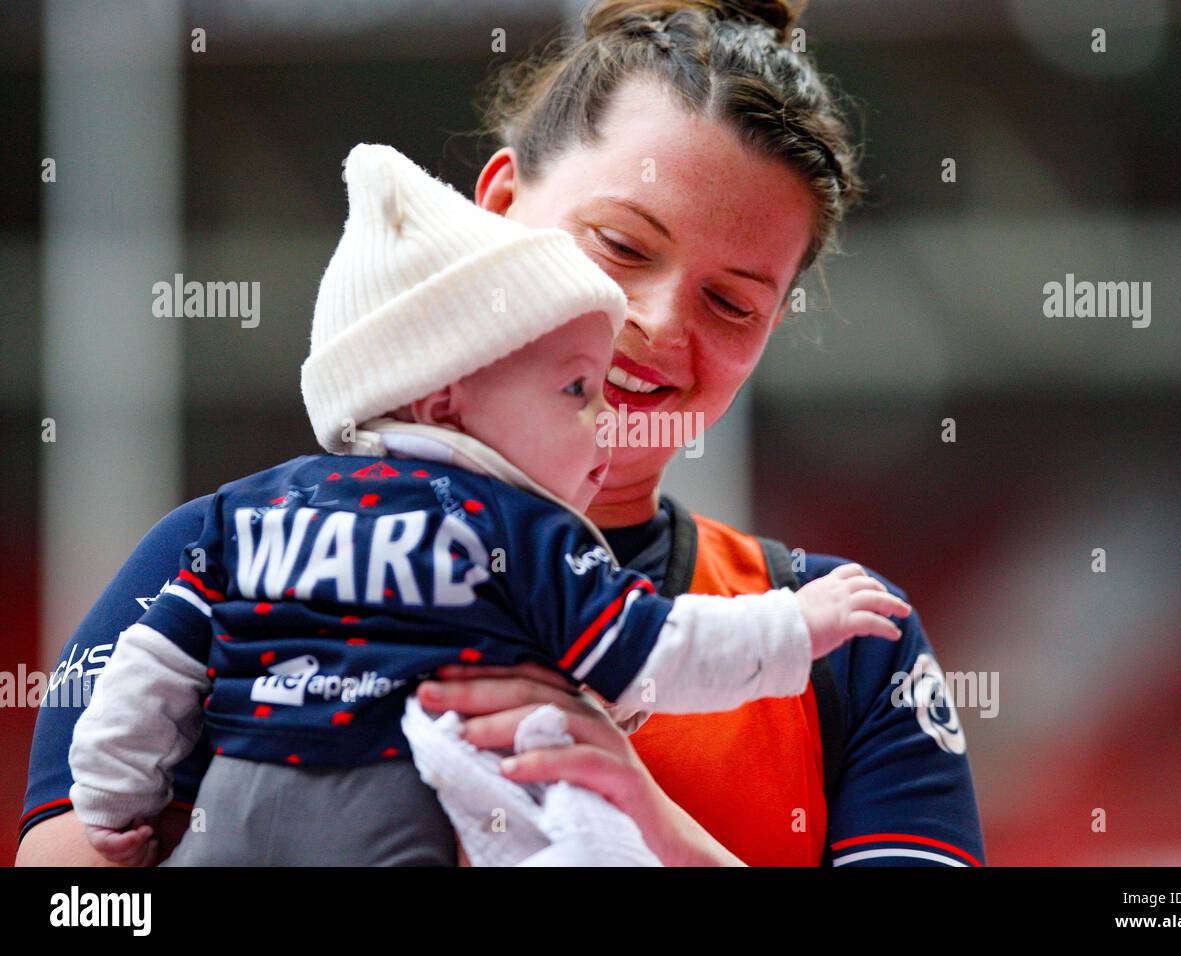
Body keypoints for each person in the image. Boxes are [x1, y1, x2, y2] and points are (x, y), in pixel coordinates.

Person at [19, 0, 986, 868]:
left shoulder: (840, 637)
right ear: (498, 207)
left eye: (732, 303)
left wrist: (654, 825)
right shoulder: (225, 551)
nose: (654, 323)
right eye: (620, 244)